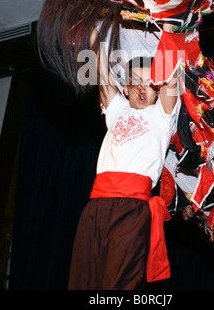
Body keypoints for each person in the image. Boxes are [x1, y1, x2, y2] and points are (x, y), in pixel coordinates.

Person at [68, 27, 180, 290]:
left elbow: (171, 77)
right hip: (95, 207)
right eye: (136, 83)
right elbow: (100, 71)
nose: (142, 90)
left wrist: (168, 28)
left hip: (132, 208)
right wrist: (94, 35)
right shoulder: (117, 109)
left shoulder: (162, 117)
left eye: (150, 84)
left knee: (119, 285)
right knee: (83, 279)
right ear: (126, 87)